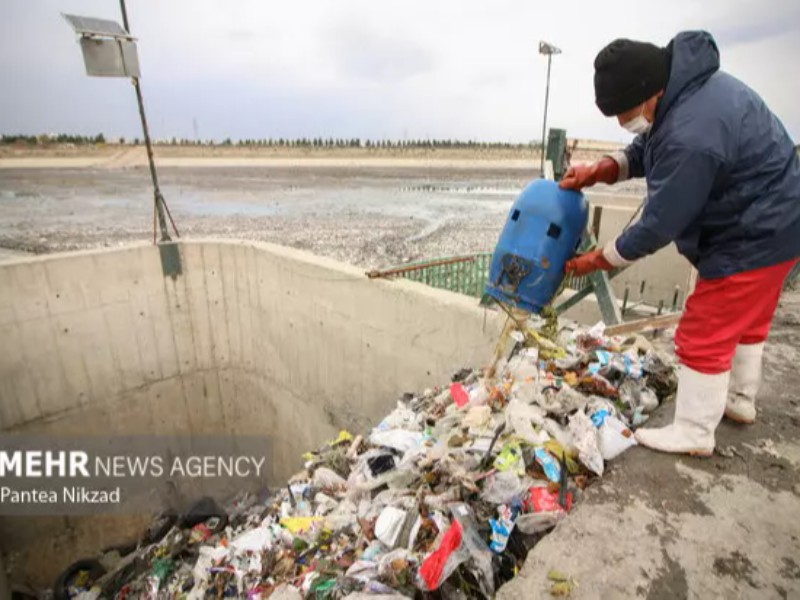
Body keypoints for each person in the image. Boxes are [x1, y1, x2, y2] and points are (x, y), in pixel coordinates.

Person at [559, 31, 800, 456]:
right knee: (748, 319)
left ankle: (693, 430)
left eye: (624, 112)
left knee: (705, 328)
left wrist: (598, 259)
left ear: (648, 94)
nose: (621, 123)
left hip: (755, 230)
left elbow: (657, 225)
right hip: (781, 221)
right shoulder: (684, 92)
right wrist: (597, 171)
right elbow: (644, 148)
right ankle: (740, 400)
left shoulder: (692, 132)